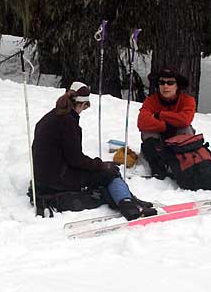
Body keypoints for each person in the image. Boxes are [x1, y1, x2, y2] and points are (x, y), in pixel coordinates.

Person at [32, 81, 156, 220]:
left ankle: (126, 197)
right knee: (109, 173)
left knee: (103, 171)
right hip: (58, 178)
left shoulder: (51, 117)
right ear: (83, 104)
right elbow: (75, 160)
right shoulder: (67, 123)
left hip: (43, 175)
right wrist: (100, 165)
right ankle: (129, 205)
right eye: (85, 107)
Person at [137, 67, 196, 179]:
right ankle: (157, 166)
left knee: (186, 129)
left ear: (177, 85)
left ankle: (184, 164)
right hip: (158, 137)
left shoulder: (188, 100)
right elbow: (142, 121)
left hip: (178, 137)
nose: (165, 86)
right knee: (147, 132)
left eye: (170, 83)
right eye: (162, 82)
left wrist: (160, 115)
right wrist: (165, 126)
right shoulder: (151, 100)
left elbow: (185, 120)